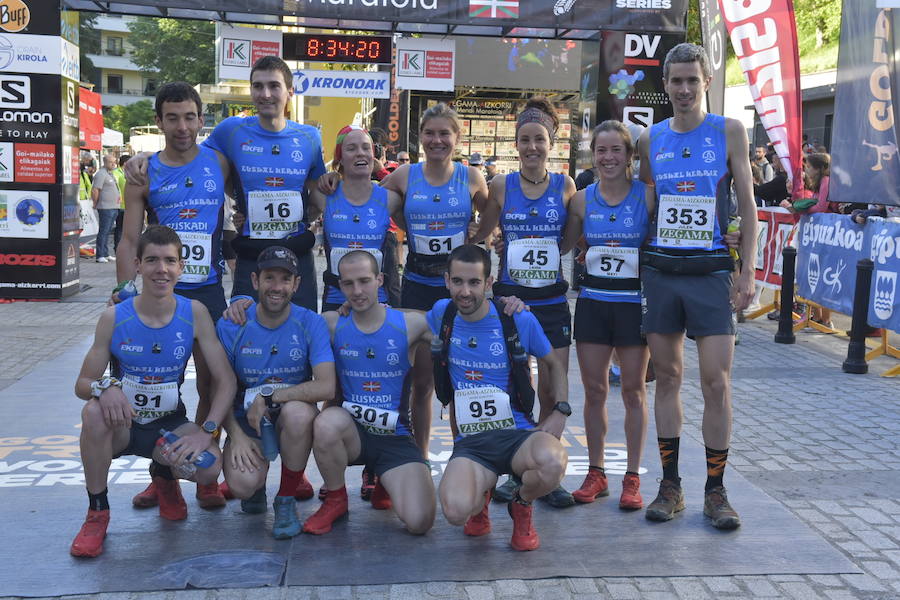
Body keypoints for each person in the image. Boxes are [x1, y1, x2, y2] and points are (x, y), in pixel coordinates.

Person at [320, 103, 492, 457]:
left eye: (445, 133)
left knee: (465, 374)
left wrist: (478, 233)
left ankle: (464, 455)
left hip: (458, 290)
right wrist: (335, 177)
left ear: (457, 138)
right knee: (418, 381)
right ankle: (417, 455)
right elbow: (366, 198)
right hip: (416, 286)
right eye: (430, 133)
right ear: (420, 138)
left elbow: (493, 211)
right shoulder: (403, 177)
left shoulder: (471, 177)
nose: (437, 140)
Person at [636, 43, 757, 530]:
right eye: (675, 81)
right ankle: (671, 485)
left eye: (692, 80)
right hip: (663, 273)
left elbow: (747, 205)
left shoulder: (729, 131)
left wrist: (746, 270)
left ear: (706, 81)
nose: (684, 89)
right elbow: (645, 204)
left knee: (716, 382)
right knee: (666, 379)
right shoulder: (650, 139)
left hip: (710, 273)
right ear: (664, 85)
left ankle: (716, 490)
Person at [70, 225, 236, 558]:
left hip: (166, 428)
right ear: (137, 265)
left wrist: (207, 432)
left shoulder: (195, 313)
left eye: (170, 261)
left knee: (208, 467)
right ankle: (97, 513)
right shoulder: (113, 317)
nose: (162, 269)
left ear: (181, 267)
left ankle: (163, 475)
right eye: (152, 260)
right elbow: (82, 384)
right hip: (123, 425)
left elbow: (226, 381)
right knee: (92, 411)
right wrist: (106, 387)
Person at [126, 56, 326, 313]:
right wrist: (147, 157)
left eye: (274, 86)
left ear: (290, 91)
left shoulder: (309, 137)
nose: (265, 94)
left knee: (302, 331)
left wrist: (301, 217)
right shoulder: (230, 130)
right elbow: (187, 153)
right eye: (258, 86)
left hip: (295, 252)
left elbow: (319, 197)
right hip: (250, 254)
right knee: (244, 336)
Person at [116, 82, 232, 510]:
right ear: (159, 121)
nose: (181, 126)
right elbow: (129, 240)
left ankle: (202, 468)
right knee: (153, 380)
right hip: (159, 290)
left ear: (202, 120)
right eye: (172, 117)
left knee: (210, 379)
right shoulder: (143, 172)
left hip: (206, 288)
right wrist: (125, 292)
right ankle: (161, 474)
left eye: (189, 117)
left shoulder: (219, 162)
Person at [430, 244, 569, 551]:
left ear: (489, 283)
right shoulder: (442, 315)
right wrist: (356, 308)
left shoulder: (516, 318)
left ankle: (522, 503)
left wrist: (560, 410)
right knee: (454, 512)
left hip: (518, 436)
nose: (465, 291)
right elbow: (399, 320)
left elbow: (554, 364)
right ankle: (480, 500)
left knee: (553, 462)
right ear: (446, 281)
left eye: (474, 282)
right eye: (458, 282)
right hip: (472, 445)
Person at [481, 97, 577, 508]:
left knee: (555, 381)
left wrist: (546, 256)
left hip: (551, 297)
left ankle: (548, 468)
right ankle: (513, 466)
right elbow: (483, 231)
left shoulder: (565, 186)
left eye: (539, 139)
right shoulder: (501, 186)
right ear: (516, 144)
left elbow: (569, 242)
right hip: (510, 299)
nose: (532, 146)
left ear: (550, 143)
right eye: (525, 139)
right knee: (515, 385)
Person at [304, 250, 435, 535]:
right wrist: (240, 305)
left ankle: (385, 479)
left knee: (420, 522)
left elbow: (460, 316)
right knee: (326, 423)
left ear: (380, 280)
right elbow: (284, 321)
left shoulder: (410, 323)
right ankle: (336, 500)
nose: (357, 291)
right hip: (352, 434)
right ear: (340, 287)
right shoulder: (331, 323)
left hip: (395, 437)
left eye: (364, 281)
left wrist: (510, 306)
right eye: (349, 284)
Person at [560, 120, 653, 509]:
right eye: (602, 150)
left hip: (634, 305)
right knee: (595, 391)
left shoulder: (648, 196)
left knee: (633, 391)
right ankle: (596, 473)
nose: (608, 157)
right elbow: (562, 243)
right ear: (593, 155)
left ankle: (632, 477)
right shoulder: (581, 200)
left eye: (617, 150)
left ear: (630, 155)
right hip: (595, 303)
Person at [217, 246, 336, 538]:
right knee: (242, 484)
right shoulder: (232, 324)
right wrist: (237, 435)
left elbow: (326, 385)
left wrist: (270, 397)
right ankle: (255, 489)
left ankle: (285, 498)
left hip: (288, 411)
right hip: (247, 418)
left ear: (296, 284)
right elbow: (217, 389)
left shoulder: (310, 322)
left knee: (297, 415)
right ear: (255, 281)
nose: (277, 287)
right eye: (270, 278)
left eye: (285, 280)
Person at [309, 126, 397, 312]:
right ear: (340, 158)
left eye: (366, 148)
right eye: (351, 148)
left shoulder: (390, 198)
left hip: (377, 300)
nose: (360, 153)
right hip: (335, 299)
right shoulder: (323, 195)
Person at [92, 154, 121, 263]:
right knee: (103, 231)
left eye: (114, 161)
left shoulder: (111, 174)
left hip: (113, 207)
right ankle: (100, 255)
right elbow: (95, 190)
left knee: (108, 231)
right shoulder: (101, 174)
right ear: (105, 162)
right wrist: (95, 203)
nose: (113, 164)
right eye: (111, 162)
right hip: (105, 207)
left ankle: (106, 253)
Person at [113, 155, 129, 251]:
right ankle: (118, 248)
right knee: (119, 229)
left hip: (128, 205)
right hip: (120, 205)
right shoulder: (116, 173)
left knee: (126, 229)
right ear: (126, 163)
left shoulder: (127, 172)